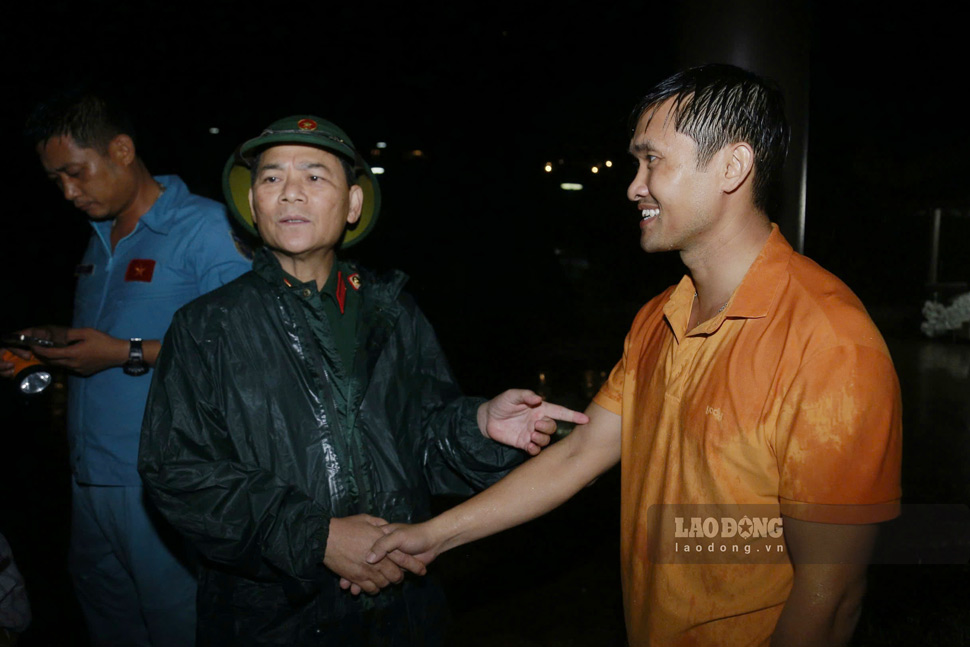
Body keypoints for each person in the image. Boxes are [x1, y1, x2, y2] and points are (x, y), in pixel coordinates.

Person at [369, 64, 903, 646]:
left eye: (653, 161)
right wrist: (433, 536)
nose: (633, 185)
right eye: (636, 162)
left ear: (732, 166)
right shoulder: (658, 318)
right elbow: (580, 457)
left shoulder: (829, 342)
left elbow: (830, 600)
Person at [137, 115, 589, 646]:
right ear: (253, 204)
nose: (290, 194)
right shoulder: (206, 326)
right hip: (270, 618)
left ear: (352, 204)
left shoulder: (393, 312)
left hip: (403, 605)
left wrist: (477, 426)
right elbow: (176, 471)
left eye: (314, 176)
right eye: (271, 178)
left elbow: (422, 438)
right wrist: (317, 537)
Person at [1, 90, 253, 646]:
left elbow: (246, 350)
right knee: (109, 623)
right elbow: (107, 338)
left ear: (121, 149)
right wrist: (51, 342)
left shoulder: (205, 229)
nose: (68, 192)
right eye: (56, 181)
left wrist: (122, 353)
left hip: (161, 483)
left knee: (178, 624)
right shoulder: (95, 239)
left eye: (75, 172)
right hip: (88, 479)